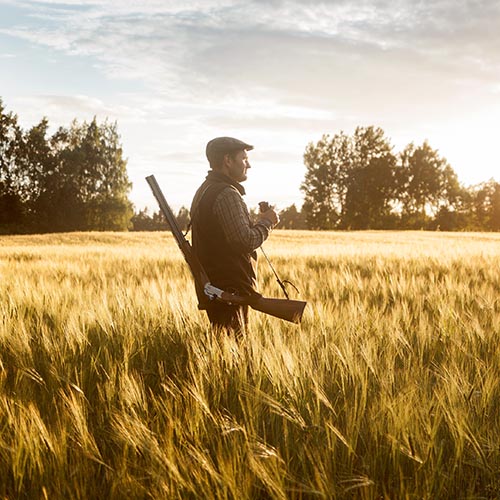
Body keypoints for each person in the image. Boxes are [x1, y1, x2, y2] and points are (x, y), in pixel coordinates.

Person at [190, 137, 279, 334]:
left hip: (216, 290)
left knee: (225, 351)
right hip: (229, 292)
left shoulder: (204, 190)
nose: (249, 165)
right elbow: (245, 241)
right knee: (234, 352)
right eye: (244, 159)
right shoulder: (227, 193)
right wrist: (267, 222)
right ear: (228, 160)